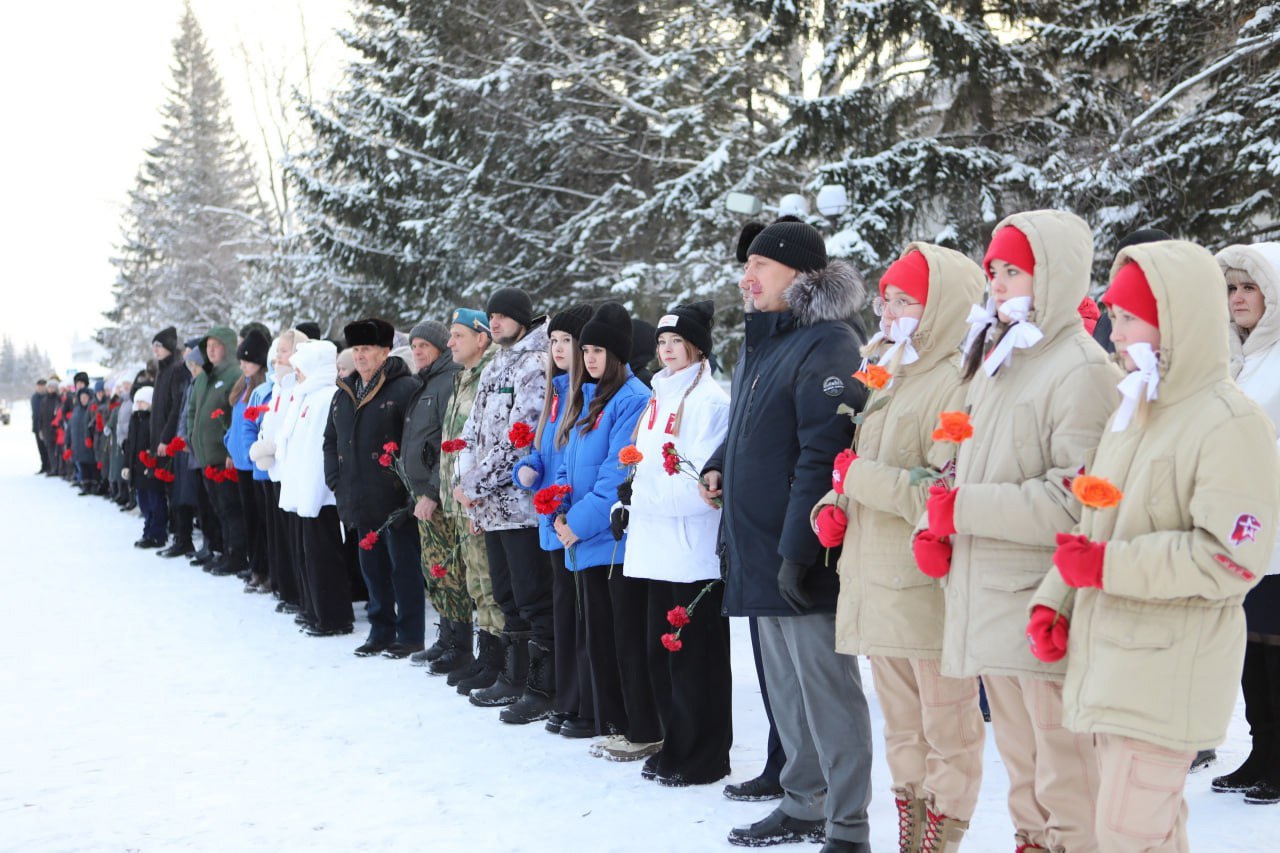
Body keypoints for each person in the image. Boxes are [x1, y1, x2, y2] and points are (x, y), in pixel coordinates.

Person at [1026, 240, 1280, 849]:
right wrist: (1054, 599)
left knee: (1126, 834)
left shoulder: (1229, 420)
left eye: (1129, 316)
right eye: (1113, 314)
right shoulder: (1135, 408)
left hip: (1170, 664)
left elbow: (1231, 557)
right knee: (1144, 833)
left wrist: (1109, 567)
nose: (1113, 331)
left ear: (1176, 320)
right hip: (1111, 654)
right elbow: (1093, 522)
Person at [919, 211, 1120, 853]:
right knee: (1026, 776)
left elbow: (1077, 498)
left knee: (1067, 778)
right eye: (994, 272)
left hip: (1042, 601)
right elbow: (968, 454)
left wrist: (965, 509)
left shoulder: (1082, 368)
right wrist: (944, 512)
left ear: (1053, 277)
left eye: (1013, 271)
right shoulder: (1004, 358)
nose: (999, 285)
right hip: (991, 597)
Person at [701, 219, 874, 851]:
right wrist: (720, 462)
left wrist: (801, 551)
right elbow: (752, 424)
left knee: (827, 692)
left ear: (800, 276)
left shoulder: (830, 342)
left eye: (761, 266)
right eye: (746, 265)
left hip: (802, 550)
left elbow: (822, 453)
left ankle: (848, 824)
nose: (748, 278)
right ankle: (804, 803)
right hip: (753, 546)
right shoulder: (763, 343)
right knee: (786, 692)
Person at [812, 244, 986, 851]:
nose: (889, 310)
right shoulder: (887, 369)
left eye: (905, 298)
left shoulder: (957, 382)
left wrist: (855, 482)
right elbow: (855, 465)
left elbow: (941, 489)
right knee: (903, 730)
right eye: (886, 298)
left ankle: (943, 833)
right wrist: (831, 507)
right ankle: (911, 831)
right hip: (875, 580)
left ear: (941, 306)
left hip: (925, 586)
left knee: (948, 727)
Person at [619, 301, 733, 785]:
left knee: (694, 659)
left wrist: (643, 495)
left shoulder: (711, 401)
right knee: (660, 655)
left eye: (676, 343)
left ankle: (703, 754)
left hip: (690, 551)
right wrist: (631, 493)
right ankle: (675, 743)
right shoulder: (655, 396)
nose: (666, 351)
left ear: (696, 348)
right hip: (655, 546)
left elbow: (703, 485)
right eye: (661, 343)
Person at [552, 302, 655, 753]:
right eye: (587, 349)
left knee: (623, 637)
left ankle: (639, 728)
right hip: (581, 537)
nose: (590, 358)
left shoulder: (631, 398)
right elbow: (566, 461)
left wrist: (575, 523)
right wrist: (556, 505)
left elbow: (617, 477)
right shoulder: (589, 395)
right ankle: (614, 722)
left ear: (619, 354)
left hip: (612, 539)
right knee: (600, 635)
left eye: (599, 351)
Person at [454, 288, 554, 715]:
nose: (494, 322)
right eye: (491, 315)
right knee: (506, 596)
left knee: (533, 598)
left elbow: (520, 442)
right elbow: (473, 431)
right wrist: (467, 481)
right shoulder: (496, 364)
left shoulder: (534, 364)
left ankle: (543, 685)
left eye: (503, 316)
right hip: (492, 507)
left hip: (521, 507)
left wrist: (474, 485)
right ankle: (512, 676)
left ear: (522, 319)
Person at [1211, 241, 1280, 803]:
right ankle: (1262, 750)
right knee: (1248, 643)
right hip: (1239, 525)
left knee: (1277, 641)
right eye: (1231, 287)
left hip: (1276, 524)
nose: (1237, 298)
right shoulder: (1233, 355)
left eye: (1249, 287)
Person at [513, 303, 594, 732]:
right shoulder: (556, 391)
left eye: (567, 340)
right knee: (560, 609)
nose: (559, 348)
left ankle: (578, 696)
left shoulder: (584, 395)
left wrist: (564, 507)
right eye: (554, 341)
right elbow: (548, 451)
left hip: (572, 521)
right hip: (551, 517)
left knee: (576, 612)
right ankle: (566, 693)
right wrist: (527, 467)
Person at [324, 317, 424, 658]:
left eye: (367, 349)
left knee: (403, 567)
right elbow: (330, 440)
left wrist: (408, 488)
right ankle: (380, 629)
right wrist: (335, 481)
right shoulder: (344, 392)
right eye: (356, 349)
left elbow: (415, 443)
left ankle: (410, 633)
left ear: (384, 351)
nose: (360, 355)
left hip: (395, 499)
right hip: (358, 495)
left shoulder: (404, 388)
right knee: (372, 568)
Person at [436, 309, 505, 695]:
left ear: (482, 338)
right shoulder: (463, 378)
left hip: (482, 500)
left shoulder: (489, 377)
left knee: (490, 582)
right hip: (460, 500)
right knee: (475, 581)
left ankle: (499, 662)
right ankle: (487, 656)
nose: (450, 343)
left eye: (458, 335)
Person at [400, 319, 468, 673]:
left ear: (441, 348)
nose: (417, 352)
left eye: (424, 345)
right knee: (435, 568)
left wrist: (430, 492)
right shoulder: (425, 383)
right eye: (414, 346)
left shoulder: (448, 381)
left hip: (437, 495)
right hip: (421, 493)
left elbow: (447, 444)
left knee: (450, 569)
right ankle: (445, 637)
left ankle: (460, 642)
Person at [278, 339, 354, 636]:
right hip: (303, 487)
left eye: (301, 368)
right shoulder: (306, 395)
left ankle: (333, 616)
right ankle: (314, 609)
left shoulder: (327, 396)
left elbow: (324, 447)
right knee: (308, 555)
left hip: (321, 491)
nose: (296, 373)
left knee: (324, 556)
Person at [187, 326, 246, 577]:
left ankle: (237, 555)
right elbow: (192, 411)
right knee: (217, 508)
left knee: (231, 508)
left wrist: (230, 449)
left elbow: (235, 415)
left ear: (228, 347)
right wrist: (192, 436)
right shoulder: (202, 377)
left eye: (216, 345)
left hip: (224, 458)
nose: (210, 350)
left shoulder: (235, 374)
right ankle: (223, 551)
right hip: (204, 456)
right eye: (207, 345)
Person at [224, 329, 271, 590]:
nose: (243, 365)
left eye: (248, 360)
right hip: (241, 461)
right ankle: (257, 566)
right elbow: (237, 420)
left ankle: (266, 568)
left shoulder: (262, 388)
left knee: (261, 519)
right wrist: (229, 445)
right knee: (249, 518)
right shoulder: (242, 386)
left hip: (256, 463)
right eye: (241, 360)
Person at [123, 385, 167, 548]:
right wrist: (127, 465)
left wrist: (153, 460)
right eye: (138, 402)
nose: (140, 405)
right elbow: (130, 445)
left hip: (150, 467)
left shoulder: (153, 420)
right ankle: (148, 530)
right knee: (144, 503)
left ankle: (157, 533)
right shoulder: (134, 420)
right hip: (137, 468)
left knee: (155, 501)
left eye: (143, 402)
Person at [31, 378, 49, 473]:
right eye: (38, 387)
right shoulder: (34, 397)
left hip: (46, 426)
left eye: (42, 387)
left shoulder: (47, 397)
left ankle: (49, 466)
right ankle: (44, 465)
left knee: (47, 447)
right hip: (37, 426)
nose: (40, 388)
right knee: (40, 448)